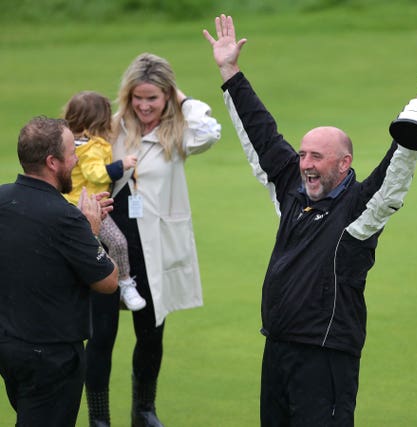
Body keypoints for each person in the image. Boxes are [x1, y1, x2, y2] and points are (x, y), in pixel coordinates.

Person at [203, 14, 417, 426]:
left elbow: (395, 173)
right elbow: (260, 134)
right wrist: (230, 71)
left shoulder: (359, 209)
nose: (306, 165)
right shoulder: (293, 190)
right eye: (303, 155)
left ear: (344, 162)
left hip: (326, 355)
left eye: (317, 157)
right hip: (277, 349)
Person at [84, 53, 222, 427]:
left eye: (154, 98)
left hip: (153, 247)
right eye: (138, 98)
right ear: (127, 96)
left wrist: (181, 97)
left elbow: (210, 131)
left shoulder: (177, 133)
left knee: (150, 333)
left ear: (166, 97)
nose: (144, 106)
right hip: (107, 243)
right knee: (101, 337)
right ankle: (99, 418)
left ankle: (144, 411)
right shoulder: (111, 128)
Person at [0, 117, 118, 426]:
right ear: (53, 162)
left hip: (9, 346)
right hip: (51, 355)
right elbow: (107, 281)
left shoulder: (2, 198)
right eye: (71, 152)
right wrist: (90, 232)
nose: (77, 158)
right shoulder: (66, 218)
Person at [63, 90, 146, 311]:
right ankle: (126, 283)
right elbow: (96, 174)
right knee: (117, 242)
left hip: (77, 206)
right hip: (88, 208)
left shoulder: (76, 142)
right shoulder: (90, 147)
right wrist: (122, 165)